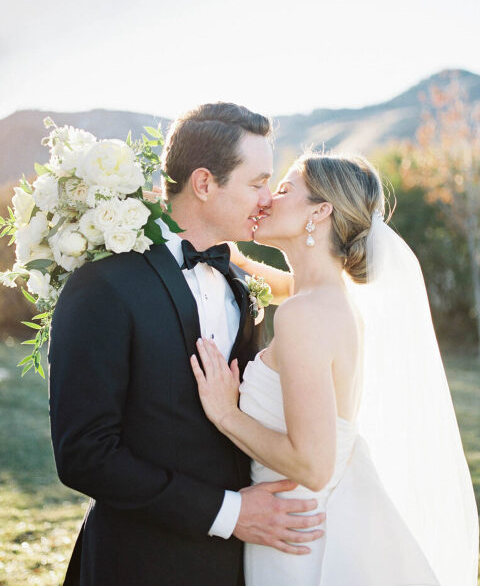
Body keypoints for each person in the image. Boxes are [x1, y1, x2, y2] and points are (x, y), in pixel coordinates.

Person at [48, 103, 325, 586]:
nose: (267, 198)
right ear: (203, 183)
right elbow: (85, 454)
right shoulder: (104, 285)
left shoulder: (242, 282)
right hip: (135, 563)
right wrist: (229, 513)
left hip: (238, 565)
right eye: (257, 182)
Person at [191, 151, 479, 585]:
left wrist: (225, 413)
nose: (268, 198)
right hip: (311, 523)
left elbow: (313, 466)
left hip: (298, 542)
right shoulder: (324, 295)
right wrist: (224, 246)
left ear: (320, 211)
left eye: (284, 190)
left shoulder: (305, 314)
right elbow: (283, 285)